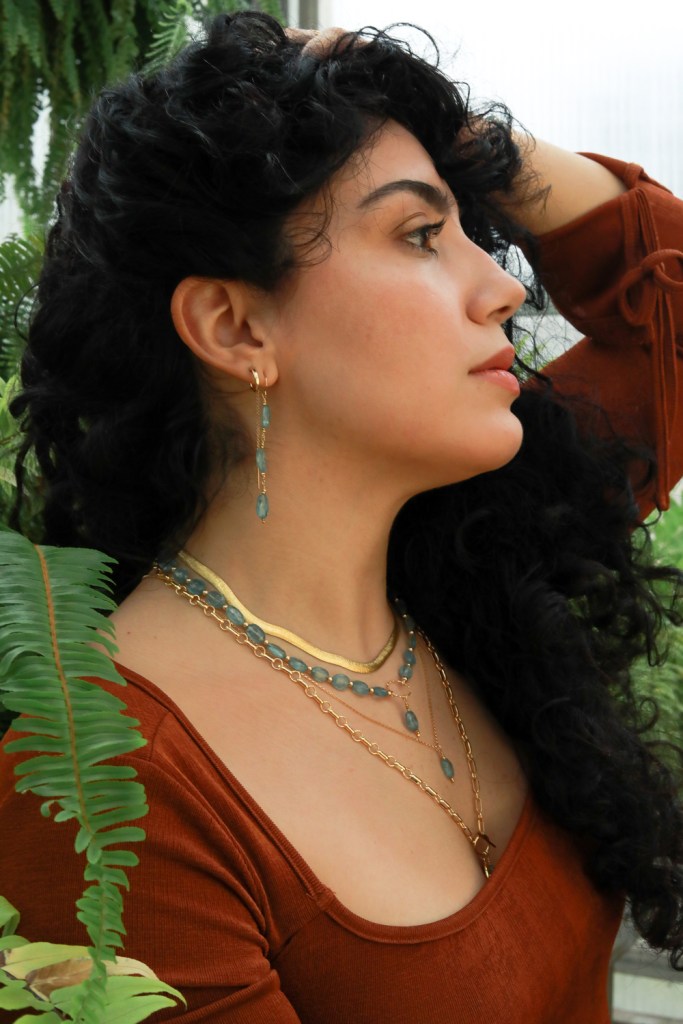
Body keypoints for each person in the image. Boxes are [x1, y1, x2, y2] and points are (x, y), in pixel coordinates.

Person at [2, 10, 682, 1022]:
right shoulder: (106, 794)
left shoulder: (470, 575)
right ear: (235, 327)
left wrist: (465, 135)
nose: (502, 286)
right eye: (419, 235)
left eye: (469, 231)